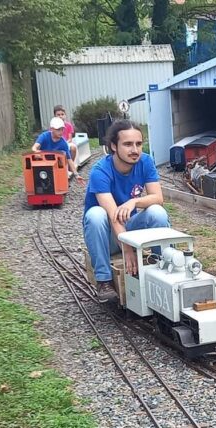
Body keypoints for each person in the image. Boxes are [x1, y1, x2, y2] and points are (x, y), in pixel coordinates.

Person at [83, 120, 169, 302]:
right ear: (113, 146)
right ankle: (104, 280)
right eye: (128, 144)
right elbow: (113, 216)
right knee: (96, 214)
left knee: (157, 212)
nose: (135, 150)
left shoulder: (145, 161)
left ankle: (164, 265)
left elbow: (157, 197)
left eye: (138, 144)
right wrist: (127, 250)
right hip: (107, 236)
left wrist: (134, 201)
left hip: (129, 227)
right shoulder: (100, 171)